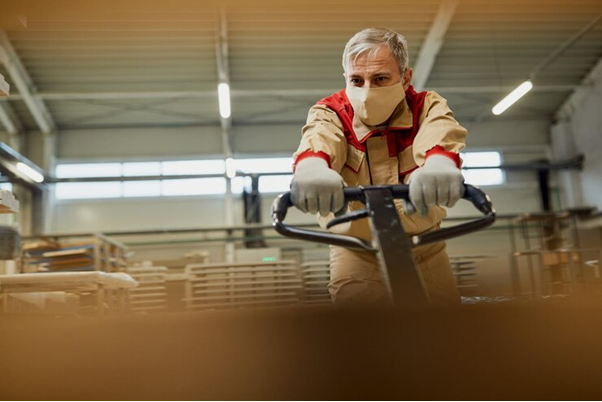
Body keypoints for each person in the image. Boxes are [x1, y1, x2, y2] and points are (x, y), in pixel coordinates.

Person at [291, 28, 468, 307]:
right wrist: (312, 166)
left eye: (381, 78)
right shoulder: (331, 112)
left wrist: (438, 161)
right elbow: (319, 136)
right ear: (346, 79)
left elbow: (441, 130)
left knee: (444, 328)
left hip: (425, 246)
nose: (366, 91)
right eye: (356, 80)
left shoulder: (425, 107)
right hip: (356, 248)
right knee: (362, 334)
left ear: (405, 77)